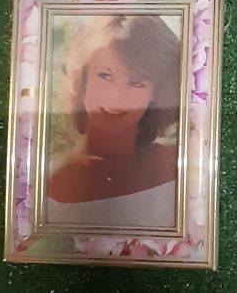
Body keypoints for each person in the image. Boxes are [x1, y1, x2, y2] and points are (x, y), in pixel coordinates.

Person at [47, 14, 180, 228]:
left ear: (156, 92)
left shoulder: (180, 163)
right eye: (104, 76)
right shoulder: (46, 179)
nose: (115, 97)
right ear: (84, 75)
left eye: (136, 83)